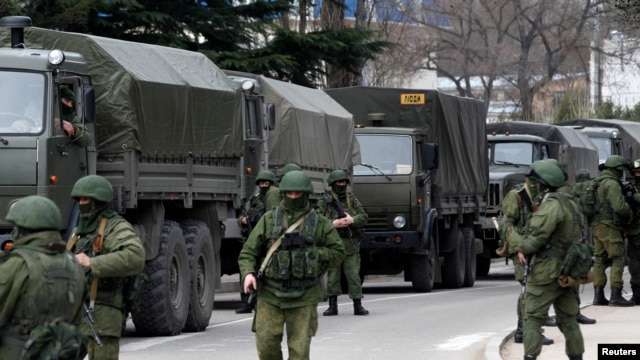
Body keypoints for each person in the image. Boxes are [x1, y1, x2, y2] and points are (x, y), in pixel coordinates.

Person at [238, 170, 345, 360]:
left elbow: (338, 252)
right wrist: (248, 274)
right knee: (266, 346)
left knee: (299, 351)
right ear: (283, 194)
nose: (294, 197)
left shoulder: (319, 223)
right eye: (290, 193)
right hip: (270, 293)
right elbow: (248, 252)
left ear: (306, 194)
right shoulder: (269, 220)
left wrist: (313, 255)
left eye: (298, 194)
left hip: (305, 295)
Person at [508, 160, 585, 360]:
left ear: (544, 184)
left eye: (536, 183)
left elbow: (537, 237)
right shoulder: (573, 203)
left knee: (532, 318)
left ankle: (530, 357)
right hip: (567, 271)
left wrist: (522, 247)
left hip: (546, 271)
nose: (534, 186)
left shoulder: (553, 204)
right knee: (569, 320)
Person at [68, 175, 146, 359]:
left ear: (97, 202)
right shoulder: (79, 231)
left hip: (102, 313)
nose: (81, 203)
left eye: (85, 199)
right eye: (78, 199)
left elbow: (135, 256)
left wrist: (92, 263)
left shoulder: (114, 227)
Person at [0, 196, 87, 359]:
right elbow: (76, 321)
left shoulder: (17, 265)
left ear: (25, 229)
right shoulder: (73, 266)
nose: (13, 232)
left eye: (16, 227)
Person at [316, 169, 370, 316]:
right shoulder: (324, 201)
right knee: (333, 276)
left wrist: (352, 220)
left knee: (353, 275)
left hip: (350, 243)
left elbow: (364, 216)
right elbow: (317, 221)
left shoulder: (351, 200)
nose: (342, 185)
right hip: (333, 244)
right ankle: (332, 305)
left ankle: (357, 304)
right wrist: (333, 223)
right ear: (333, 184)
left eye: (344, 182)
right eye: (339, 182)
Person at [591, 155, 635, 307]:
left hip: (596, 226)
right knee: (617, 258)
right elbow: (619, 207)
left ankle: (598, 295)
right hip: (610, 226)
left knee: (599, 259)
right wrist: (629, 214)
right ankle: (616, 295)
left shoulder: (596, 183)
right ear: (617, 171)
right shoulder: (612, 184)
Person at [235, 169, 280, 314]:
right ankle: (247, 301)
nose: (264, 185)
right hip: (254, 238)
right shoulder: (253, 200)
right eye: (261, 183)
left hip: (269, 239)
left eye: (267, 183)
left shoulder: (276, 197)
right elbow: (241, 217)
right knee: (247, 269)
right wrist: (244, 219)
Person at [624, 159, 640, 305]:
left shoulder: (634, 190)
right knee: (634, 264)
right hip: (634, 231)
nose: (637, 174)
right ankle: (636, 293)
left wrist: (634, 194)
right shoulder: (631, 187)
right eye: (635, 172)